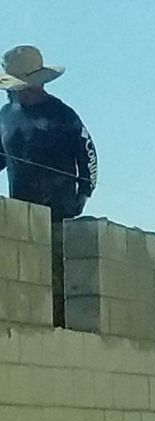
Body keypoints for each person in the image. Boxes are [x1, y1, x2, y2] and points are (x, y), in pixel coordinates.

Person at [0, 45, 97, 326]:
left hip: (59, 218)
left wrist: (83, 195)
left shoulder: (62, 115)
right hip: (21, 219)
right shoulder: (5, 118)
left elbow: (88, 155)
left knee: (57, 286)